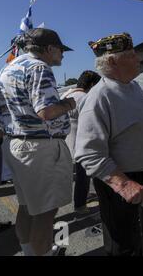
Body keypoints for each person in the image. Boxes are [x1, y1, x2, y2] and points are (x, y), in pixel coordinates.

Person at [75, 33, 143, 256]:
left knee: (141, 239)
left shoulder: (133, 88)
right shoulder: (99, 97)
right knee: (124, 247)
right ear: (112, 61)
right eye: (131, 56)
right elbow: (88, 153)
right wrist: (123, 185)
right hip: (123, 180)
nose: (138, 60)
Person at [0, 28, 75, 256]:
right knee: (45, 213)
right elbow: (47, 111)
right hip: (40, 148)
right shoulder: (40, 67)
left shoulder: (7, 69)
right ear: (49, 48)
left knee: (27, 207)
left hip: (16, 145)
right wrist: (69, 104)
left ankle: (28, 252)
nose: (63, 55)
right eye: (61, 50)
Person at [61, 70, 101, 217]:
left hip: (65, 142)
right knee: (83, 177)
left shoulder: (66, 94)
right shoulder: (86, 98)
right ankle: (80, 205)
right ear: (91, 84)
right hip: (81, 143)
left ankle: (86, 197)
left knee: (79, 176)